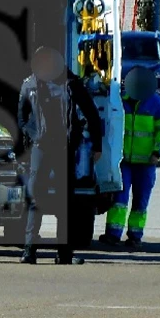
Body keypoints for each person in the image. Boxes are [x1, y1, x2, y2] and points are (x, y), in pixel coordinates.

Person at [17, 46, 104, 265]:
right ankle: (29, 251)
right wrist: (32, 138)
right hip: (41, 147)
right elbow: (22, 118)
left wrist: (97, 145)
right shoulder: (30, 84)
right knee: (35, 197)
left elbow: (92, 114)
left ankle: (64, 254)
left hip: (65, 147)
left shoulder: (72, 84)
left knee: (65, 202)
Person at [100, 66, 160, 250]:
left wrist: (156, 153)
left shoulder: (156, 104)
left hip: (146, 163)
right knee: (119, 200)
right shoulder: (121, 101)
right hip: (124, 162)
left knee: (140, 201)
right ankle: (113, 234)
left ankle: (135, 237)